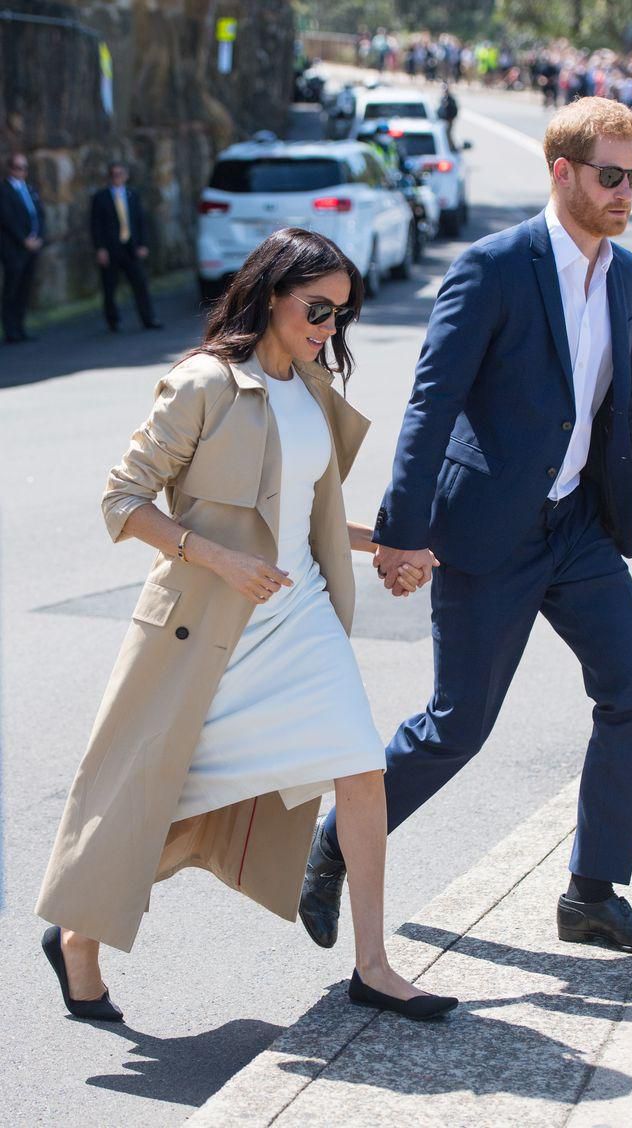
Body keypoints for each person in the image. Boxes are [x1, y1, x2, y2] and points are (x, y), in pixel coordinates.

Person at [301, 98, 632, 959]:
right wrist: (402, 533)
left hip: (578, 527)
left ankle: (592, 895)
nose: (626, 192)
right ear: (563, 172)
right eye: (611, 175)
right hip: (487, 531)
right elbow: (431, 403)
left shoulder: (624, 276)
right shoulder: (493, 268)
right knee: (458, 726)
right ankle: (336, 840)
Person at [36, 228, 457, 1024]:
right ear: (270, 295)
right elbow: (122, 500)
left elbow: (305, 515)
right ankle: (78, 933)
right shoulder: (205, 383)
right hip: (209, 633)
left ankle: (374, 966)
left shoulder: (311, 387)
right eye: (318, 308)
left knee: (361, 766)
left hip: (301, 618)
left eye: (342, 313)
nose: (330, 327)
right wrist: (218, 559)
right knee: (171, 808)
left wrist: (388, 545)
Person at [90, 162, 162, 332]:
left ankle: (148, 318)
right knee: (110, 287)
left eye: (120, 174)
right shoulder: (100, 197)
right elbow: (96, 225)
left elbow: (140, 221)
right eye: (114, 174)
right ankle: (112, 321)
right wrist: (100, 248)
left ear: (126, 176)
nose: (117, 177)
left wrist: (142, 244)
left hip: (130, 247)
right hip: (111, 248)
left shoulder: (132, 195)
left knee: (140, 283)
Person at [0, 153, 45, 344]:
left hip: (31, 247)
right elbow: (7, 219)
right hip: (14, 249)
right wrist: (23, 240)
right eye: (19, 168)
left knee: (25, 289)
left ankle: (20, 327)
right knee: (12, 289)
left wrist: (39, 237)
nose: (22, 172)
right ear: (10, 169)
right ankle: (10, 330)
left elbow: (39, 214)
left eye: (25, 168)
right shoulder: (4, 190)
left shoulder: (30, 189)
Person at [438, 83, 459, 147]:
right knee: (443, 134)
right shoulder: (443, 98)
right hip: (443, 120)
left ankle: (451, 146)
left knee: (448, 134)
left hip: (449, 120)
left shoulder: (450, 99)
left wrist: (451, 118)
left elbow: (454, 110)